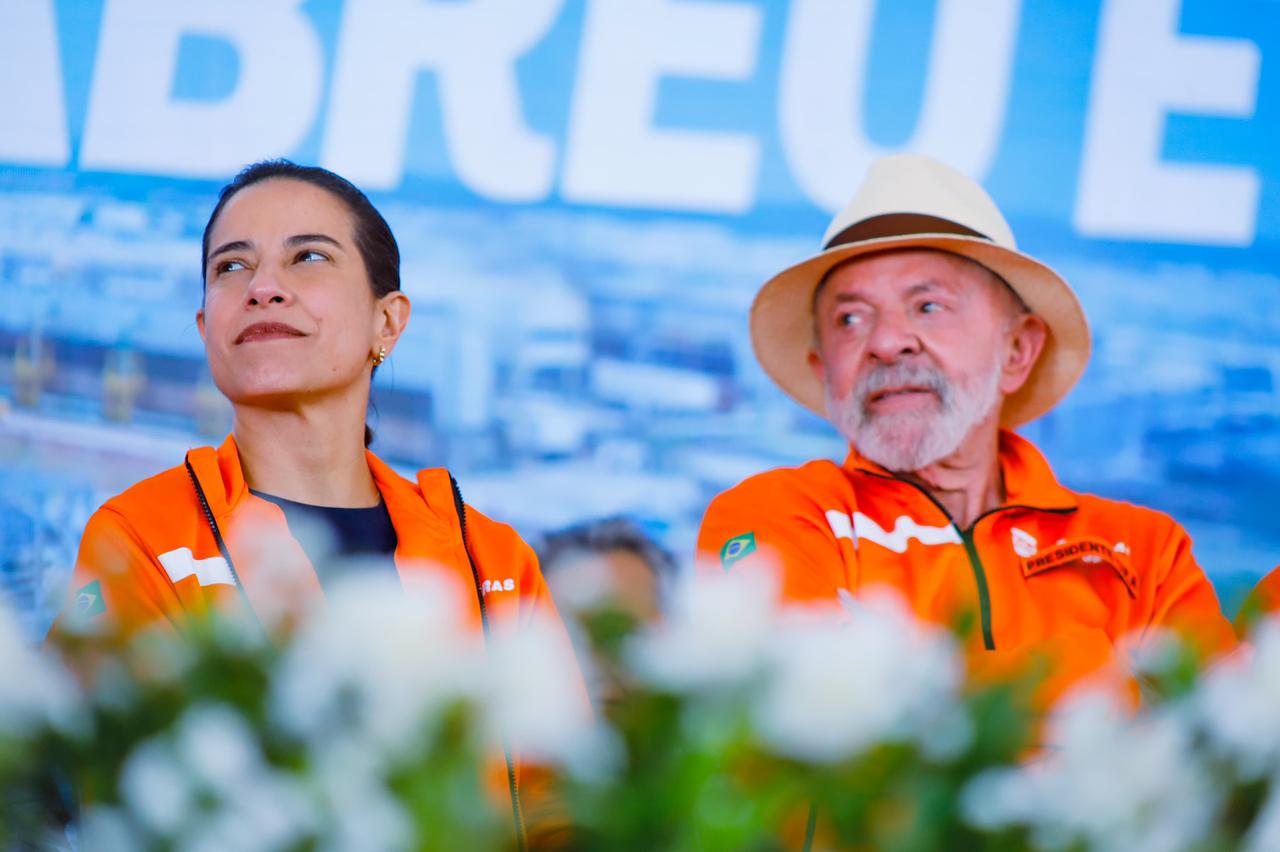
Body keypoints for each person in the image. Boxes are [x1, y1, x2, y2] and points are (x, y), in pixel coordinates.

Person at [53, 160, 578, 848]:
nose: (263, 288)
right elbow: (120, 799)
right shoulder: (141, 539)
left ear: (387, 322)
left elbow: (568, 809)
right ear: (206, 328)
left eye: (308, 257)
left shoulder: (495, 559)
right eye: (231, 267)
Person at [697, 154, 1236, 704]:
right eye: (850, 319)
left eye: (928, 306)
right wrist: (1103, 684)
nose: (887, 342)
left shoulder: (1146, 554)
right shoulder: (774, 516)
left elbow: (1223, 738)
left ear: (1017, 350)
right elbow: (799, 713)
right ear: (824, 371)